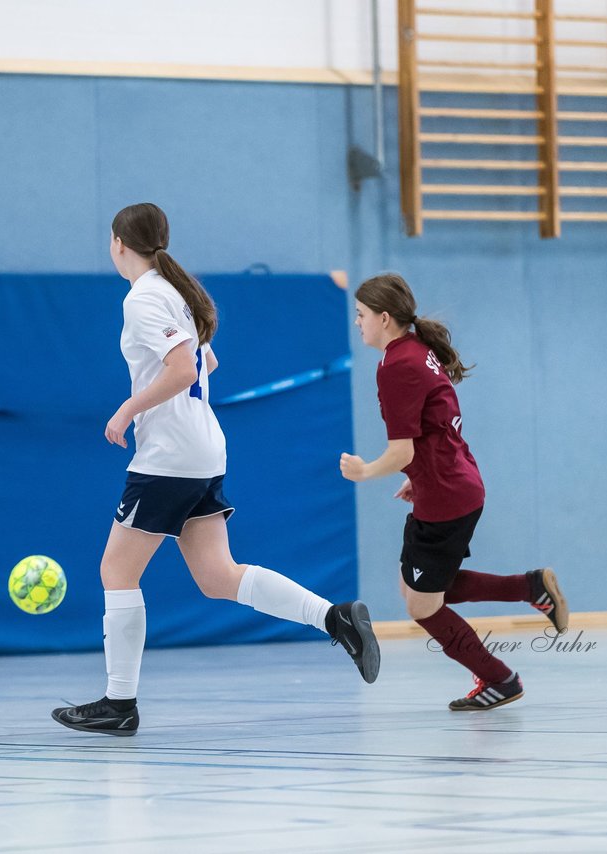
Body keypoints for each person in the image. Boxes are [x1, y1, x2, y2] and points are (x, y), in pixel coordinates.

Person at [51, 203, 379, 736]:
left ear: (117, 243)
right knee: (217, 577)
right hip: (202, 449)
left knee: (117, 570)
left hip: (169, 456)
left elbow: (183, 368)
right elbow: (209, 363)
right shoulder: (178, 294)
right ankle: (334, 617)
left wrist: (129, 409)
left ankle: (119, 703)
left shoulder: (144, 298)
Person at [339, 273, 568, 711]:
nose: (358, 323)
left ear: (384, 318)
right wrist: (418, 474)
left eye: (361, 315)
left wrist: (366, 471)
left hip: (446, 496)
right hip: (449, 486)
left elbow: (401, 447)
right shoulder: (415, 353)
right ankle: (531, 587)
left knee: (423, 606)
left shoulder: (397, 365)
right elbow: (433, 432)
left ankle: (501, 678)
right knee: (416, 591)